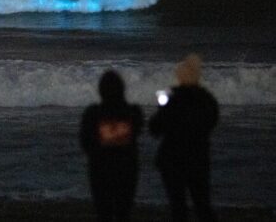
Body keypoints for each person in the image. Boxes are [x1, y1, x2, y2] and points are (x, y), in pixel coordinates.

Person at [149, 54, 219, 222]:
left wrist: (161, 107)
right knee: (202, 205)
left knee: (178, 206)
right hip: (198, 158)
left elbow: (155, 128)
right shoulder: (207, 100)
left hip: (173, 160)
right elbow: (212, 121)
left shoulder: (173, 100)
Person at [80, 70, 144, 222]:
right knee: (124, 213)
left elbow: (85, 142)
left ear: (101, 90)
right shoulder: (133, 112)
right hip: (126, 169)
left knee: (104, 213)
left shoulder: (93, 114)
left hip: (100, 170)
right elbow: (139, 130)